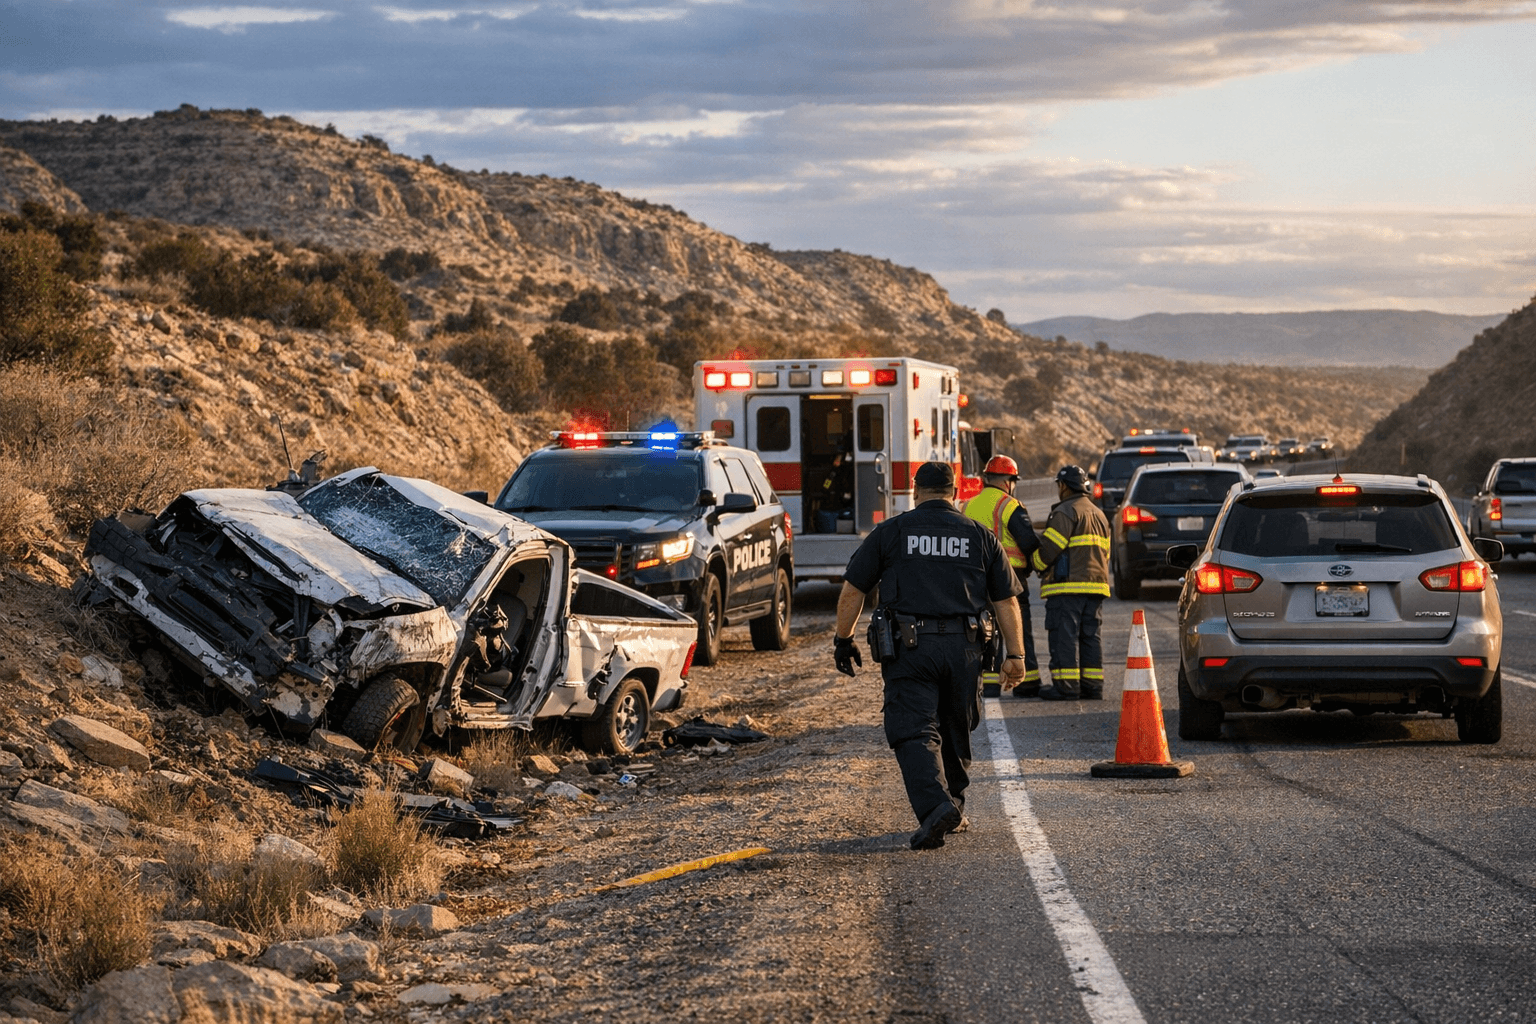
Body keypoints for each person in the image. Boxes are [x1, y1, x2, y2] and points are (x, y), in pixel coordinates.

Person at [831, 461, 1029, 850]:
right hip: (966, 650)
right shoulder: (980, 537)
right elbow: (1006, 601)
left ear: (916, 492)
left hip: (910, 649)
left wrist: (844, 638)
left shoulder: (892, 531)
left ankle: (937, 807)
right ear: (955, 493)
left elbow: (854, 588)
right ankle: (952, 806)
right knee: (957, 726)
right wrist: (1017, 655)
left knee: (914, 729)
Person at [962, 455, 1042, 699]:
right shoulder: (1009, 505)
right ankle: (1027, 683)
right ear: (1009, 481)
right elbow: (1028, 542)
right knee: (1018, 627)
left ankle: (990, 683)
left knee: (986, 629)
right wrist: (1038, 565)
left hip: (974, 577)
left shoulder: (967, 505)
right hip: (1010, 576)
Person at [1030, 465, 1111, 700]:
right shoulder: (1099, 514)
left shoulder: (1065, 512)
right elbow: (1106, 554)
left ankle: (1066, 686)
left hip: (1068, 586)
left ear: (1063, 486)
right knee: (1090, 636)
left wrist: (1035, 563)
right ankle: (1092, 686)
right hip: (1097, 585)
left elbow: (1049, 549)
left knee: (1064, 635)